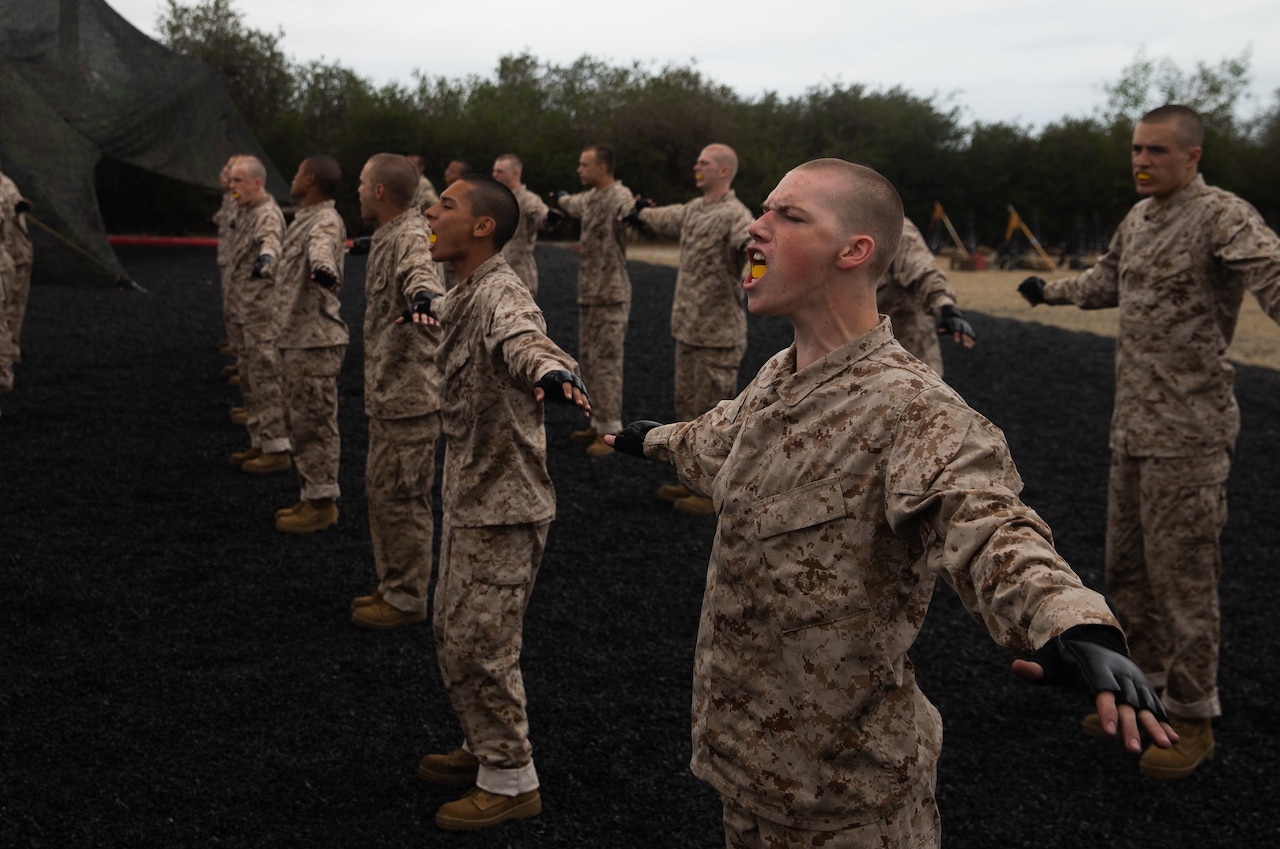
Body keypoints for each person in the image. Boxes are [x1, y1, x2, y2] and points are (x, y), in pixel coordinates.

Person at [605, 158, 1174, 847]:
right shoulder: (776, 379)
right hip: (748, 773)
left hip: (849, 803)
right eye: (765, 210)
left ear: (855, 250)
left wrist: (1075, 623)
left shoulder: (912, 408)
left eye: (789, 215)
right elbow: (714, 439)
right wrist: (649, 439)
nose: (757, 226)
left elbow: (991, 523)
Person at [1017, 104, 1280, 779]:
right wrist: (1049, 291)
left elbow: (1272, 272)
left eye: (1156, 151)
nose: (1140, 161)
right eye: (1135, 149)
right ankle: (1141, 692)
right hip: (1131, 430)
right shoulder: (1138, 219)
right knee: (1129, 572)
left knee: (1184, 580)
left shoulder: (1221, 214)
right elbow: (1105, 280)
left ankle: (1193, 716)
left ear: (1192, 157)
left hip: (1189, 436)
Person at [410, 173, 590, 831]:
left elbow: (524, 337)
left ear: (484, 226)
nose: (431, 211)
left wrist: (549, 369)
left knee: (482, 642)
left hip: (505, 505)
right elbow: (451, 315)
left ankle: (512, 778)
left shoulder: (502, 294)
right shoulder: (467, 290)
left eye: (447, 205)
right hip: (472, 493)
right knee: (454, 630)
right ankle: (482, 741)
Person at [625, 143, 754, 515]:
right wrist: (641, 214)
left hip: (718, 333)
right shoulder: (695, 210)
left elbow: (752, 250)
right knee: (687, 410)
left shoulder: (735, 215)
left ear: (724, 171)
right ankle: (690, 480)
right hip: (688, 328)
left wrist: (758, 275)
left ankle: (712, 492)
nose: (695, 166)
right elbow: (665, 216)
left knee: (715, 415)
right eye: (696, 160)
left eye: (704, 162)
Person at [348, 153, 446, 630]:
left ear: (380, 191)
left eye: (363, 183)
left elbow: (419, 272)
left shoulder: (409, 235)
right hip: (391, 393)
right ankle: (393, 585)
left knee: (403, 498)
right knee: (385, 494)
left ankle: (406, 597)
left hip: (410, 398)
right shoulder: (391, 232)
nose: (359, 190)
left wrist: (425, 297)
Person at [272, 154, 348, 534]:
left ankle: (321, 502)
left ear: (311, 178)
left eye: (298, 171)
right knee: (299, 421)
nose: (294, 176)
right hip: (296, 338)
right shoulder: (305, 216)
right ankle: (309, 494)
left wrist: (324, 268)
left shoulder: (324, 220)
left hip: (313, 341)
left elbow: (322, 248)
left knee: (314, 424)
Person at [552, 144, 634, 457]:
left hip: (610, 295)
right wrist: (559, 199)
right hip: (590, 294)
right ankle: (597, 420)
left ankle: (611, 429)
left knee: (607, 363)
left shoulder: (619, 196)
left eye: (584, 165)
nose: (579, 170)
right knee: (589, 359)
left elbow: (628, 211)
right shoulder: (590, 198)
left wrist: (635, 214)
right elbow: (571, 203)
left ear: (602, 168)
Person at [225, 156, 289, 475]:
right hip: (244, 309)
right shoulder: (244, 210)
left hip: (262, 313)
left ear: (257, 183)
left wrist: (266, 259)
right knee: (250, 376)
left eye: (237, 181)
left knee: (265, 375)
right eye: (231, 181)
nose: (231, 187)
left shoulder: (266, 213)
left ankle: (276, 446)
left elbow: (271, 243)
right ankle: (259, 439)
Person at [879, 216, 975, 375]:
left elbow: (925, 271)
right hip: (869, 354)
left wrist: (947, 308)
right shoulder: (837, 226)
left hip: (910, 348)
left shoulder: (893, 228)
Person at [491, 153, 561, 297]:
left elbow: (539, 214)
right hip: (496, 274)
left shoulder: (527, 199)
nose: (494, 175)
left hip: (519, 275)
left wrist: (548, 218)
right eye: (494, 171)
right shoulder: (496, 199)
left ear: (515, 173)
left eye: (500, 171)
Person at [0, 165, 34, 365]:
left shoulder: (4, 183)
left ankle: (9, 355)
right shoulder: (5, 182)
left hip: (16, 256)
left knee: (12, 306)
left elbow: (16, 203)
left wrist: (19, 206)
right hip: (13, 256)